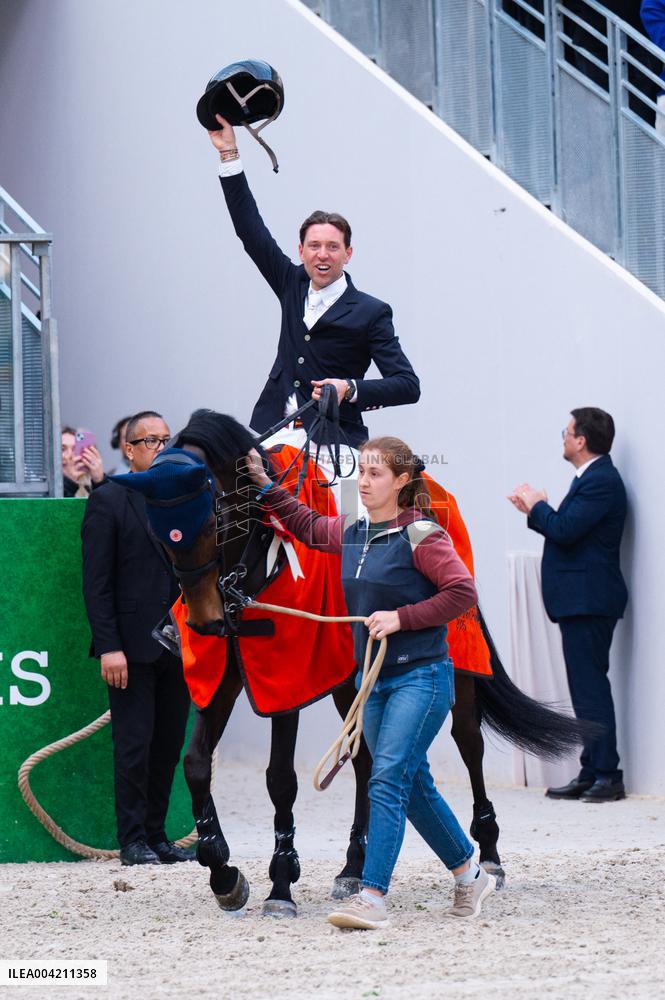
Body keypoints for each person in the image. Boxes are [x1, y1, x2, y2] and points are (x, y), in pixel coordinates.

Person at [244, 435, 495, 929]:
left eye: (376, 473)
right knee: (412, 782)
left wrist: (402, 617)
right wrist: (265, 483)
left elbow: (462, 592)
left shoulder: (423, 535)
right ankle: (470, 874)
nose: (363, 480)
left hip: (421, 679)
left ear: (402, 482)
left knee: (385, 779)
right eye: (361, 471)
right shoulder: (356, 532)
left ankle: (373, 895)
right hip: (375, 682)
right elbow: (308, 525)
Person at [208, 115, 420, 512]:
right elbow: (249, 229)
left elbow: (408, 384)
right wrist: (229, 154)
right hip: (273, 432)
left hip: (336, 442)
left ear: (348, 253)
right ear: (302, 250)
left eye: (333, 247)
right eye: (314, 246)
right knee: (226, 506)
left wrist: (351, 389)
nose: (323, 255)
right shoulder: (290, 283)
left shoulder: (372, 311)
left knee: (351, 528)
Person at [81, 410, 193, 865]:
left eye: (168, 440)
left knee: (168, 745)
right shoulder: (109, 499)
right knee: (133, 744)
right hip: (128, 645)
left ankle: (158, 835)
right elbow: (97, 582)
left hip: (180, 645)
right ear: (128, 449)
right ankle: (132, 841)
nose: (161, 449)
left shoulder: (184, 498)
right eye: (151, 441)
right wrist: (109, 647)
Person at [508, 407, 628, 803]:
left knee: (591, 688)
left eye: (568, 431)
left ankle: (608, 774)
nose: (563, 437)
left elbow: (565, 530)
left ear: (581, 441)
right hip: (581, 601)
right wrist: (536, 508)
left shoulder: (602, 481)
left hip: (590, 600)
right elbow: (566, 529)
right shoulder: (591, 479)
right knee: (584, 688)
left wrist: (538, 505)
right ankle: (592, 767)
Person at [61, 425, 105, 497]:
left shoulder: (89, 487)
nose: (70, 455)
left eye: (74, 449)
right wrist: (69, 482)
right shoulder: (46, 488)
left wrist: (100, 481)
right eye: (62, 449)